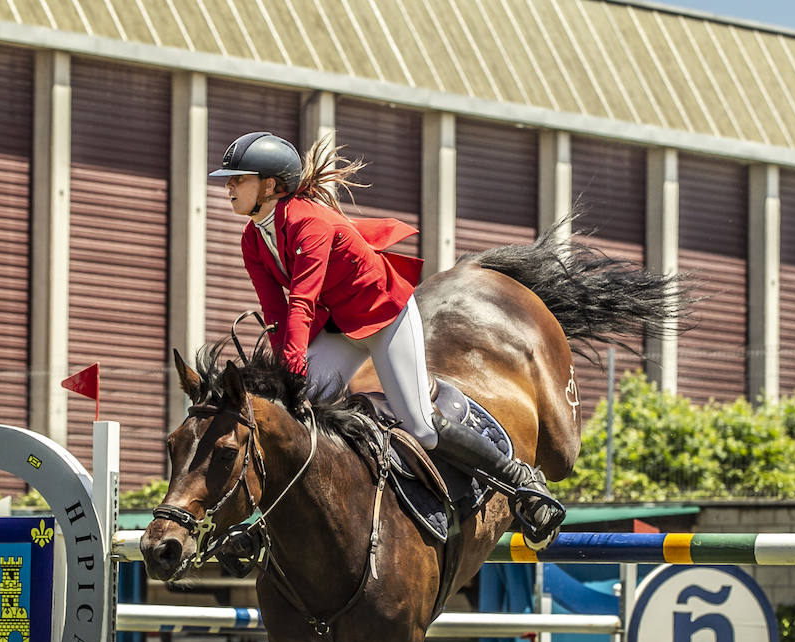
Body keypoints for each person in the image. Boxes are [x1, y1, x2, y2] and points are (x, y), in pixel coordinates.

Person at [210, 131, 563, 547]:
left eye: (238, 179)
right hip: (340, 327)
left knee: (422, 426)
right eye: (229, 179)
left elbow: (302, 301)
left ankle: (520, 478)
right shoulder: (252, 238)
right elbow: (276, 312)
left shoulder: (310, 222)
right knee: (297, 419)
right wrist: (282, 381)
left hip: (385, 318)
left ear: (270, 186)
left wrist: (293, 369)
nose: (228, 186)